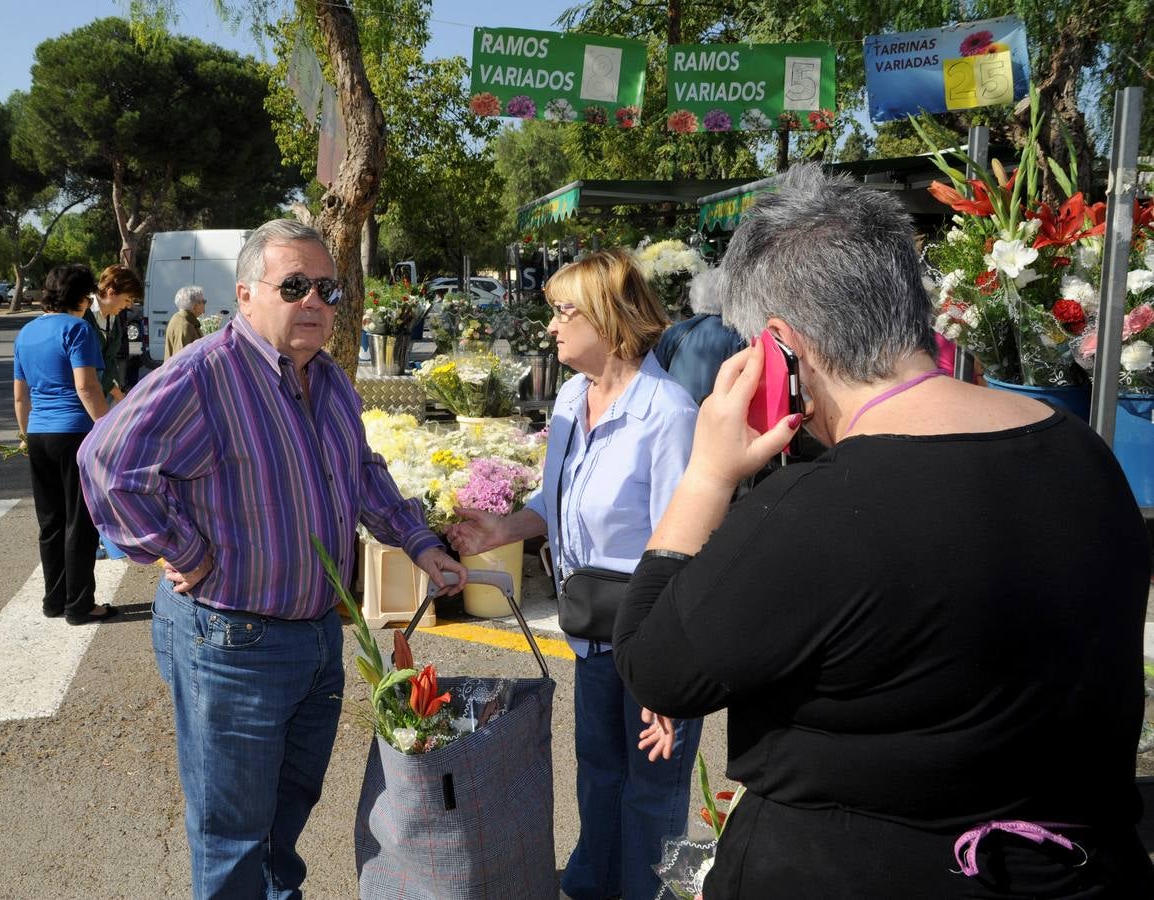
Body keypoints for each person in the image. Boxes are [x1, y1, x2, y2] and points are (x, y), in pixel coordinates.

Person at [614, 165, 1154, 898]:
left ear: (780, 348)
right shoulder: (1079, 451)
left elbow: (655, 664)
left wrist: (707, 476)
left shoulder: (818, 507)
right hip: (1081, 872)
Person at [76, 219, 467, 899]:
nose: (314, 300)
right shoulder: (206, 374)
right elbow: (106, 464)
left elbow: (362, 471)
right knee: (231, 833)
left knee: (286, 817)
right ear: (246, 294)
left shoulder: (330, 379)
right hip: (232, 638)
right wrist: (183, 551)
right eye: (294, 285)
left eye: (327, 288)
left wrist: (421, 541)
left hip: (318, 633)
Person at [447, 248, 702, 900]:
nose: (552, 327)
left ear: (610, 318)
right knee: (600, 776)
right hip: (591, 633)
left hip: (652, 639)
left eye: (565, 312)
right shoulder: (569, 397)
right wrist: (499, 531)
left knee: (652, 797)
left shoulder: (666, 412)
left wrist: (667, 679)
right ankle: (594, 886)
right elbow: (554, 505)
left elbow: (683, 550)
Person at [12, 264, 115, 625]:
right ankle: (80, 604)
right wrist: (109, 429)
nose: (90, 301)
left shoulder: (26, 333)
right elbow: (87, 387)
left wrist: (25, 436)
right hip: (74, 432)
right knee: (80, 521)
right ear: (80, 297)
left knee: (51, 522)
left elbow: (21, 397)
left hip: (38, 434)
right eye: (88, 295)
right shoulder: (78, 329)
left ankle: (54, 600)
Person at [653, 267, 746, 404]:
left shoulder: (675, 332)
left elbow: (656, 375)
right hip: (714, 414)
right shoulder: (737, 336)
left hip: (675, 408)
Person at [85, 264, 142, 405]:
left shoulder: (114, 315)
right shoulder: (83, 313)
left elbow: (109, 360)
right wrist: (117, 393)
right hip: (83, 402)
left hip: (105, 397)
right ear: (111, 292)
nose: (129, 306)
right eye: (127, 299)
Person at [164, 284, 205, 359]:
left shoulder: (179, 318)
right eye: (203, 301)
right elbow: (182, 360)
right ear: (195, 306)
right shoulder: (185, 325)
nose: (204, 304)